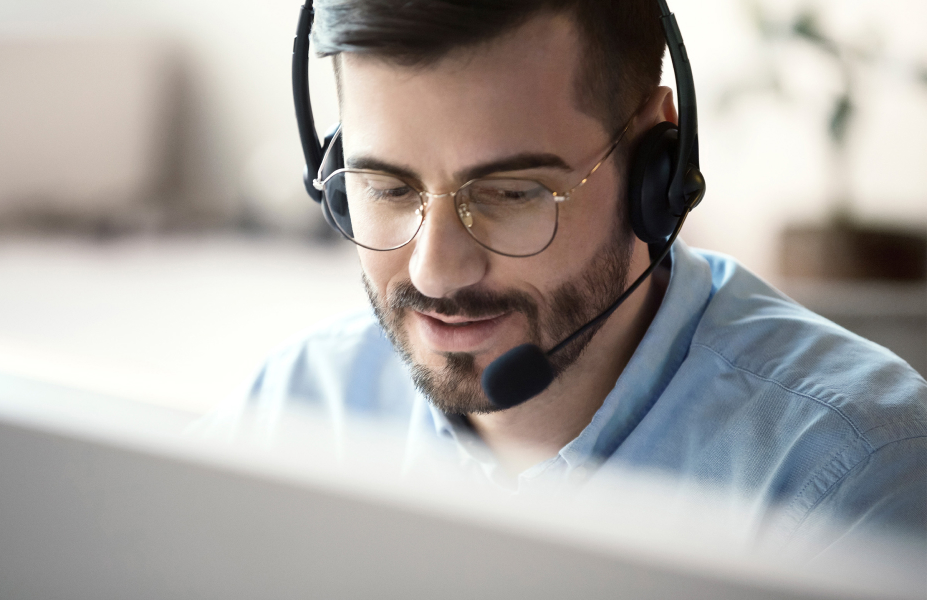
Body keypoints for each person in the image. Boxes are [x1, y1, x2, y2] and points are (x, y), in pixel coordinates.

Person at [206, 0, 926, 555]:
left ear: (657, 167)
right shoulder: (295, 407)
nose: (435, 269)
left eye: (512, 193)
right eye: (385, 188)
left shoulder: (856, 479)